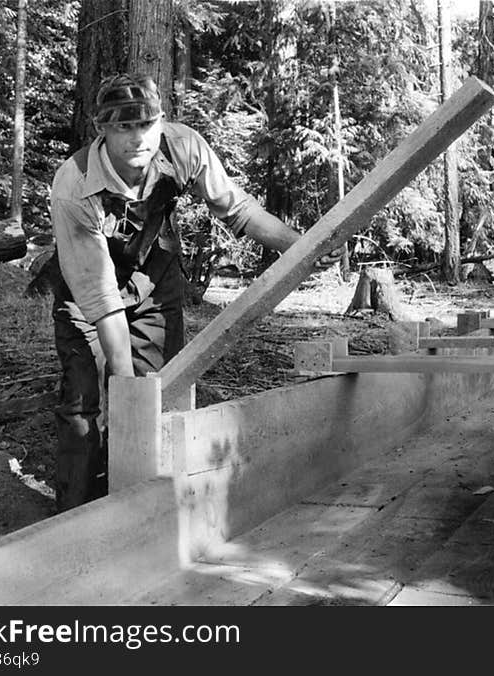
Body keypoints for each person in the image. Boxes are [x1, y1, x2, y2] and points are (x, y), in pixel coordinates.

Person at [49, 73, 338, 511]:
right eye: (123, 127)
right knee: (86, 401)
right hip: (88, 292)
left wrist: (301, 246)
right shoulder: (74, 185)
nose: (137, 138)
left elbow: (239, 210)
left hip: (154, 273)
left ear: (161, 121)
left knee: (163, 388)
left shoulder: (183, 147)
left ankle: (151, 502)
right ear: (100, 128)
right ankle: (76, 515)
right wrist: (128, 395)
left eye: (146, 124)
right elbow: (103, 301)